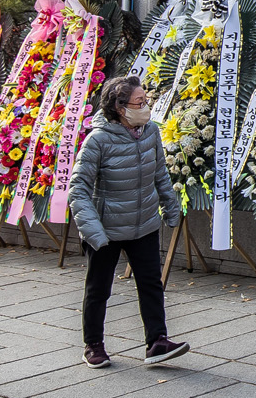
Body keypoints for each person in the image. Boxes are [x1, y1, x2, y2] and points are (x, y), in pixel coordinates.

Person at [68, 75, 188, 368]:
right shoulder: (98, 140)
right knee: (98, 288)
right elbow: (78, 189)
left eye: (146, 101)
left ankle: (157, 342)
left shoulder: (150, 133)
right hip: (106, 228)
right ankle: (94, 345)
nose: (145, 107)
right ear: (120, 108)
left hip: (143, 223)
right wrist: (93, 231)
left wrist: (171, 207)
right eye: (139, 102)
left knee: (150, 284)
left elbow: (160, 172)